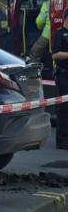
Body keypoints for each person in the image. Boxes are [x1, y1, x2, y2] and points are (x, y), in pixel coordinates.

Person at [52, 8, 68, 149]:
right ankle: (62, 140)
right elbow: (55, 54)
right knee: (63, 109)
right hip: (63, 75)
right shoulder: (59, 34)